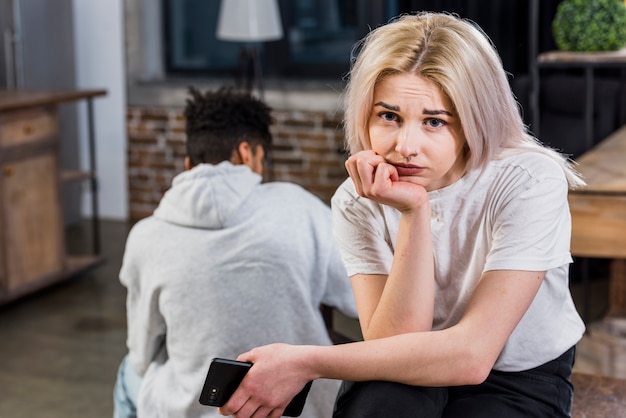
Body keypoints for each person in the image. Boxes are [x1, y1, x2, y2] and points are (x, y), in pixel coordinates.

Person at [218, 12, 586, 418]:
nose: (406, 146)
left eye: (434, 122)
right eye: (389, 116)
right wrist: (414, 212)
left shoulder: (528, 179)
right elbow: (393, 342)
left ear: (473, 121)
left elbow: (473, 356)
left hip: (517, 374)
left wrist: (307, 362)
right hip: (401, 365)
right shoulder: (355, 201)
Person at [112, 86, 357, 418]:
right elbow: (358, 302)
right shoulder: (299, 206)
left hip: (194, 407)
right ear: (246, 153)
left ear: (188, 164)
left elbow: (143, 353)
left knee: (130, 369)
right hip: (295, 407)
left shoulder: (144, 236)